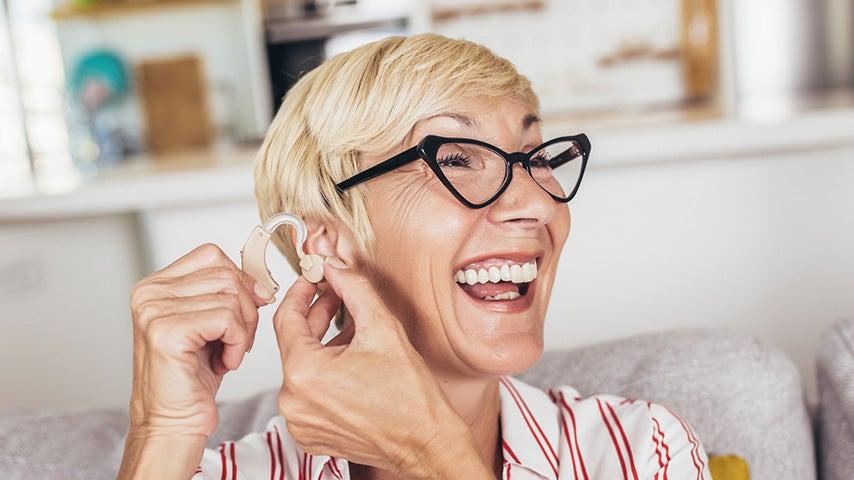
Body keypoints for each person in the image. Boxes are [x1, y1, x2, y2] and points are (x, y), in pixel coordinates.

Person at [118, 33, 711, 480]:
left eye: (537, 159)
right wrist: (160, 430)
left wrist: (433, 452)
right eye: (455, 159)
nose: (536, 202)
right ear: (320, 236)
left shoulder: (638, 450)